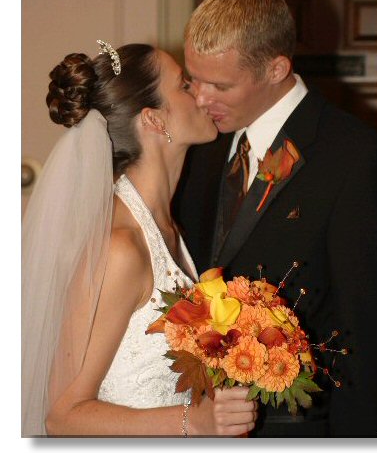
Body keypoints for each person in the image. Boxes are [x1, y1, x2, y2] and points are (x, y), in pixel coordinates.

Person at [173, 0, 377, 437]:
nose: (200, 98)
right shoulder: (200, 141)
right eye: (193, 79)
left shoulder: (355, 155)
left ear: (276, 69)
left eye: (219, 84)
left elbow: (366, 328)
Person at [21, 40, 257, 437]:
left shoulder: (167, 228)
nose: (201, 94)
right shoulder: (121, 248)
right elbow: (62, 416)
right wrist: (193, 422)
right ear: (154, 120)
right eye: (184, 85)